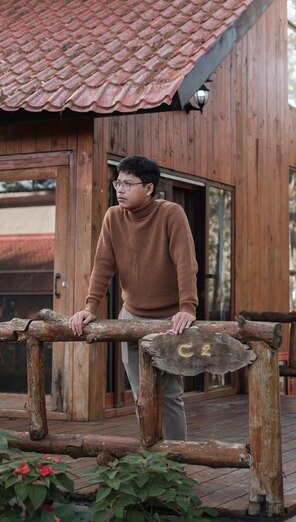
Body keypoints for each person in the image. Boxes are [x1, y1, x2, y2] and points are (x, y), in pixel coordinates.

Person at [69, 155, 198, 440]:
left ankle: (175, 465)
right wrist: (91, 306)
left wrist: (188, 307)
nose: (120, 190)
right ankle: (152, 463)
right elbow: (103, 265)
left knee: (170, 394)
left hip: (169, 319)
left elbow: (185, 262)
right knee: (142, 396)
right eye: (118, 182)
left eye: (128, 183)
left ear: (149, 188)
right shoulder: (113, 217)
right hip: (131, 317)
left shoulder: (171, 213)